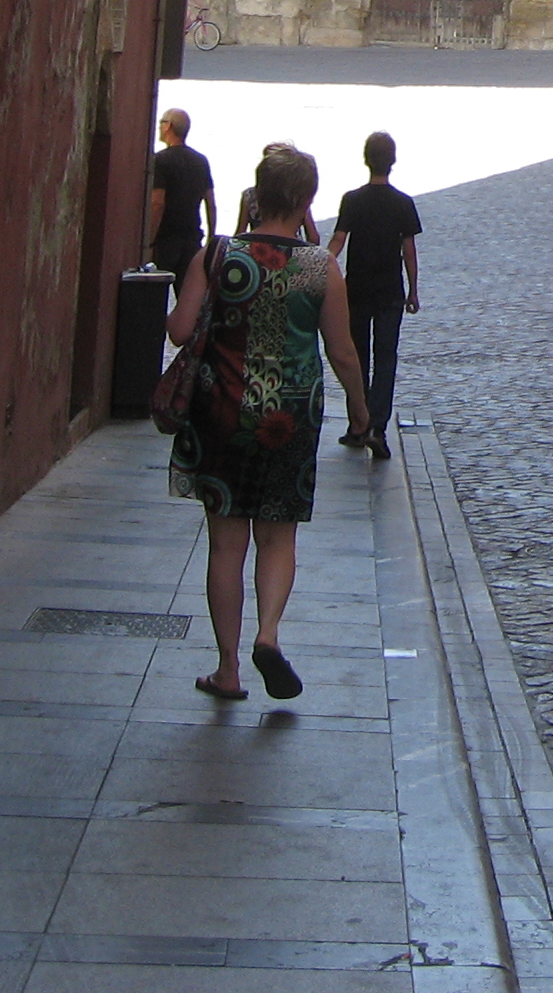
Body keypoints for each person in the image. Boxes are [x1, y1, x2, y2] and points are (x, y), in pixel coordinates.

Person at [165, 144, 370, 702]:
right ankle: (269, 635)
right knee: (278, 536)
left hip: (223, 412)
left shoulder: (218, 255)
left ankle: (227, 669)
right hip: (291, 416)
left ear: (257, 193)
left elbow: (180, 331)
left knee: (225, 545)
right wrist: (360, 411)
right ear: (306, 200)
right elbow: (342, 351)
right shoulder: (320, 268)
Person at [328, 131, 420, 462]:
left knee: (357, 358)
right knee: (386, 358)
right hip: (390, 290)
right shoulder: (403, 203)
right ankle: (377, 428)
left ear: (366, 159)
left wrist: (321, 266)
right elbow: (408, 249)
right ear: (392, 161)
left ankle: (358, 424)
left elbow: (338, 240)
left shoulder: (352, 200)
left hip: (357, 290)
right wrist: (413, 289)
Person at [146, 109, 217, 284]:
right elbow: (210, 204)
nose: (159, 127)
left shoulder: (160, 161)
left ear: (168, 126)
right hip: (192, 240)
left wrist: (149, 242)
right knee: (187, 293)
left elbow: (157, 203)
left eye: (161, 122)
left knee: (159, 292)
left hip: (165, 241)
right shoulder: (201, 161)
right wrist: (211, 239)